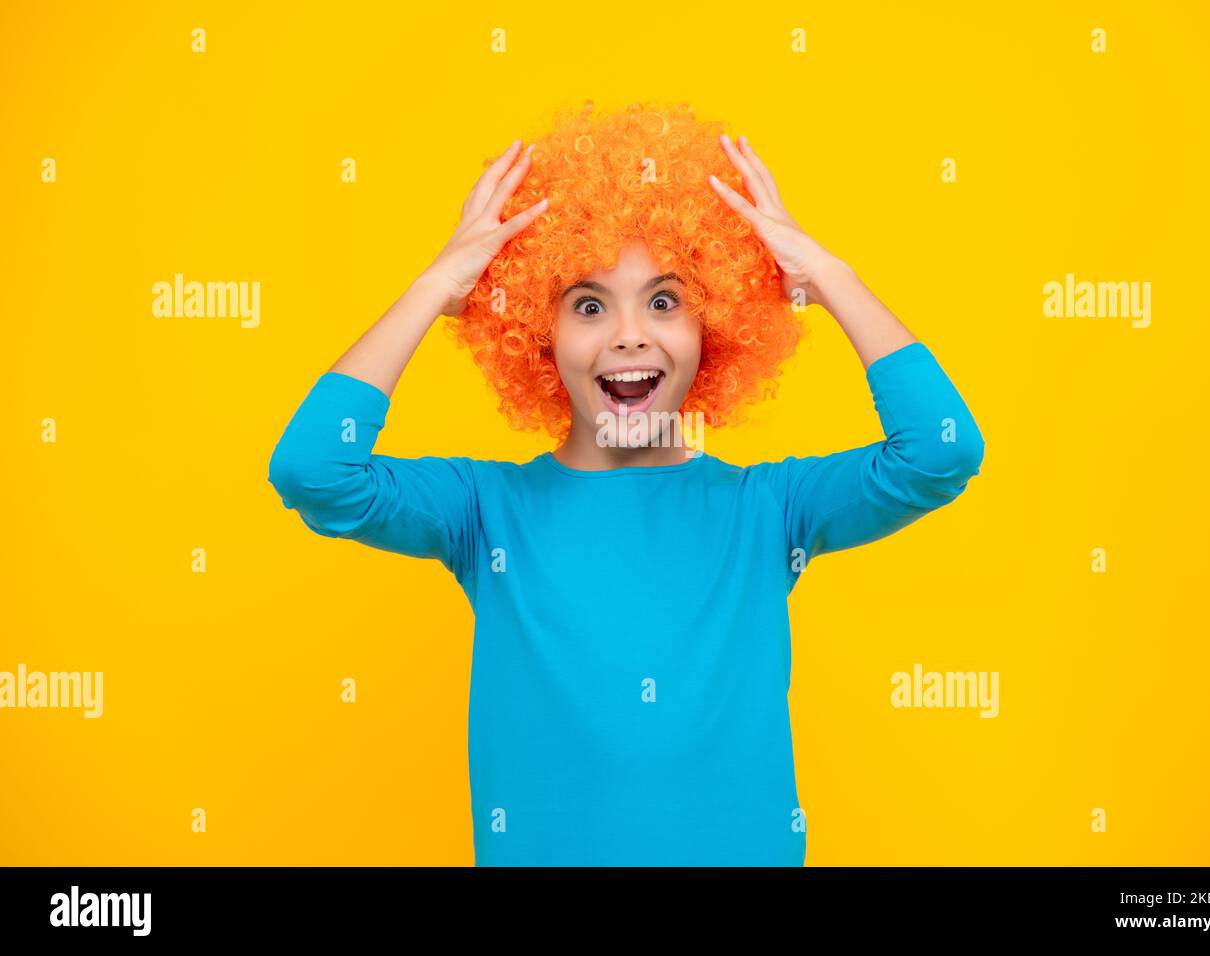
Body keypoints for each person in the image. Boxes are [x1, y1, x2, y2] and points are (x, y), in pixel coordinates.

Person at [267, 101, 985, 865]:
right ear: (539, 338)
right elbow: (314, 471)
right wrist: (438, 286)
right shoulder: (485, 515)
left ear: (717, 327)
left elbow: (939, 452)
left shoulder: (768, 512)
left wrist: (827, 274)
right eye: (588, 305)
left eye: (666, 301)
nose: (630, 334)